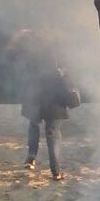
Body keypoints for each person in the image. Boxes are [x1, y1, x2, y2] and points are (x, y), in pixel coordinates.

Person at [21, 51, 79, 181]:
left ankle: (31, 159)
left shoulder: (34, 51)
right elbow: (68, 75)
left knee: (34, 126)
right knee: (53, 136)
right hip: (55, 103)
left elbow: (27, 75)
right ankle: (56, 172)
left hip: (37, 100)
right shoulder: (59, 55)